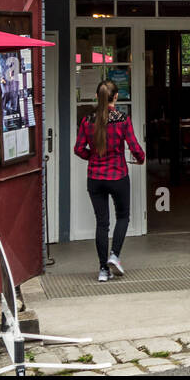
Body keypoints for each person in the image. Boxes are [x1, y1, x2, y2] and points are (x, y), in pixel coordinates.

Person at [74, 79, 145, 282]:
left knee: (102, 223)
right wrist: (140, 159)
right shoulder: (122, 119)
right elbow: (134, 146)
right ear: (116, 97)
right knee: (123, 216)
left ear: (97, 97)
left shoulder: (87, 120)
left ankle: (103, 270)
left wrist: (93, 158)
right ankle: (114, 255)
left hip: (95, 178)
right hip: (118, 175)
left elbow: (78, 148)